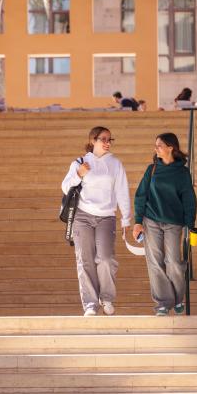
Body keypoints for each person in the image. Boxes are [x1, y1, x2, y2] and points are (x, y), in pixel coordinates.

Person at [62, 126, 131, 316]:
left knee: (106, 259)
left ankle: (107, 298)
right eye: (103, 139)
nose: (108, 143)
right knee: (85, 260)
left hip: (106, 216)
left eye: (110, 139)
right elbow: (65, 186)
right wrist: (79, 174)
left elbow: (122, 191)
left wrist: (126, 219)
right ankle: (90, 304)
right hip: (82, 216)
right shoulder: (80, 162)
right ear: (93, 140)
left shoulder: (115, 164)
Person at [133, 133, 197, 316]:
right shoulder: (151, 169)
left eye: (159, 145)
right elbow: (141, 195)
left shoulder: (182, 172)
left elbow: (189, 199)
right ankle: (162, 303)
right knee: (155, 262)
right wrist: (138, 221)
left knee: (175, 262)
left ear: (171, 147)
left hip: (174, 223)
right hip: (151, 220)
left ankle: (177, 299)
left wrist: (190, 224)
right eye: (155, 145)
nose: (156, 148)